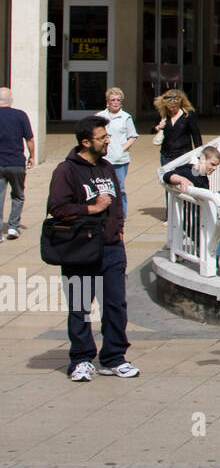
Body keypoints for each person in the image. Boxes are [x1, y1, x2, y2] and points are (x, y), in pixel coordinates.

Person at [48, 115, 138, 381]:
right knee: (80, 308)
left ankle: (113, 358)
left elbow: (116, 203)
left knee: (115, 306)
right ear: (86, 142)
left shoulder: (107, 167)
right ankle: (81, 359)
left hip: (111, 249)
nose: (108, 141)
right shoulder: (66, 171)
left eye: (107, 136)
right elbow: (58, 208)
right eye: (103, 138)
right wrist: (91, 208)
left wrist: (119, 232)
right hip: (79, 250)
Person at [0, 88, 35, 240]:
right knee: (18, 195)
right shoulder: (20, 115)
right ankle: (13, 227)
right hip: (16, 163)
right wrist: (32, 156)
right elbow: (30, 140)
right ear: (11, 100)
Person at [101, 88, 139, 219]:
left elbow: (133, 136)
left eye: (118, 100)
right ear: (108, 102)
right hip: (104, 158)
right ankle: (105, 212)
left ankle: (120, 215)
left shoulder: (125, 117)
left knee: (120, 188)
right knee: (104, 188)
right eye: (113, 100)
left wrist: (123, 147)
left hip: (120, 160)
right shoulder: (100, 117)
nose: (115, 102)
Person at [153, 89, 201, 170]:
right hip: (166, 155)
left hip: (183, 155)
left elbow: (196, 135)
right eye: (170, 106)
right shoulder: (163, 115)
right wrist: (158, 127)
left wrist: (199, 155)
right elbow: (152, 130)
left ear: (180, 104)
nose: (172, 109)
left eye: (175, 106)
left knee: (183, 179)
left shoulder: (188, 115)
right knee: (169, 179)